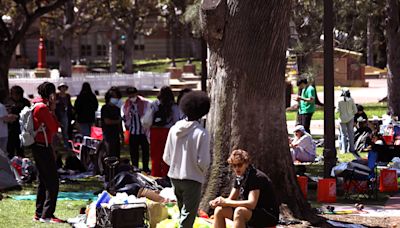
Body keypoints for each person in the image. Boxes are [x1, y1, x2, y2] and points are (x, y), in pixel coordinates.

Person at [163, 91, 211, 228]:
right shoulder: (202, 133)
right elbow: (204, 161)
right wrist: (199, 171)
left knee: (182, 214)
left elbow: (166, 157)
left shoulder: (173, 129)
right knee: (188, 217)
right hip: (193, 178)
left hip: (174, 177)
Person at [210, 149, 279, 228]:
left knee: (240, 212)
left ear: (246, 163)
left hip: (268, 214)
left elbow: (251, 204)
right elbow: (230, 199)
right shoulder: (240, 176)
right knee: (219, 210)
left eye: (239, 165)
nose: (236, 168)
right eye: (234, 165)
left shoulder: (256, 177)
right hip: (253, 212)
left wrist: (226, 202)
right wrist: (218, 202)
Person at [31, 82, 63, 223]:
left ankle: (39, 213)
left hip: (37, 146)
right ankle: (47, 215)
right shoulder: (43, 108)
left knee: (43, 181)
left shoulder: (35, 105)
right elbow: (55, 127)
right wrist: (53, 110)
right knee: (53, 182)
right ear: (50, 94)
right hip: (43, 147)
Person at [149, 86, 180, 177]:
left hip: (155, 131)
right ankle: (166, 174)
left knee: (155, 155)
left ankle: (155, 174)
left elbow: (148, 119)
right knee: (168, 155)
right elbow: (176, 120)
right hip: (168, 132)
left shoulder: (154, 104)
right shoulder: (173, 106)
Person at [122, 87, 151, 173]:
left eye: (133, 94)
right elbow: (125, 116)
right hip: (133, 131)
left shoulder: (145, 103)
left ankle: (145, 167)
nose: (132, 97)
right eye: (130, 95)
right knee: (134, 152)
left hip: (143, 132)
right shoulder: (127, 104)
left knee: (145, 151)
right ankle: (135, 167)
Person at [5, 85, 30, 158]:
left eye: (17, 94)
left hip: (21, 129)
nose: (16, 96)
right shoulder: (8, 101)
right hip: (10, 129)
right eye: (14, 94)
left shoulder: (25, 102)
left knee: (20, 150)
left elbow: (28, 115)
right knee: (10, 150)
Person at [101, 87, 123, 158]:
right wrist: (117, 121)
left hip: (116, 133)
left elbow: (120, 122)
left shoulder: (117, 109)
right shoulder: (105, 108)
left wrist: (121, 134)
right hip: (108, 134)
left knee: (116, 154)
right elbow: (107, 121)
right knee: (109, 153)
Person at [336, 88, 357, 154]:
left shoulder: (339, 100)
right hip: (350, 117)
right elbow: (355, 110)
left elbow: (337, 111)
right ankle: (352, 148)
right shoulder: (351, 100)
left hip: (342, 119)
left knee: (343, 134)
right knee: (351, 133)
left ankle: (344, 149)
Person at [55, 83, 73, 148]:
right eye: (62, 87)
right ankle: (57, 145)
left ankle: (66, 145)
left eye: (64, 88)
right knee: (55, 131)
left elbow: (69, 105)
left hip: (65, 114)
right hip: (57, 115)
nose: (63, 89)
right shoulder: (56, 96)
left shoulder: (67, 96)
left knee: (65, 131)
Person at [0, 89, 18, 155]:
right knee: (2, 154)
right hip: (2, 134)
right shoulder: (1, 106)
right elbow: (5, 119)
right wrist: (13, 117)